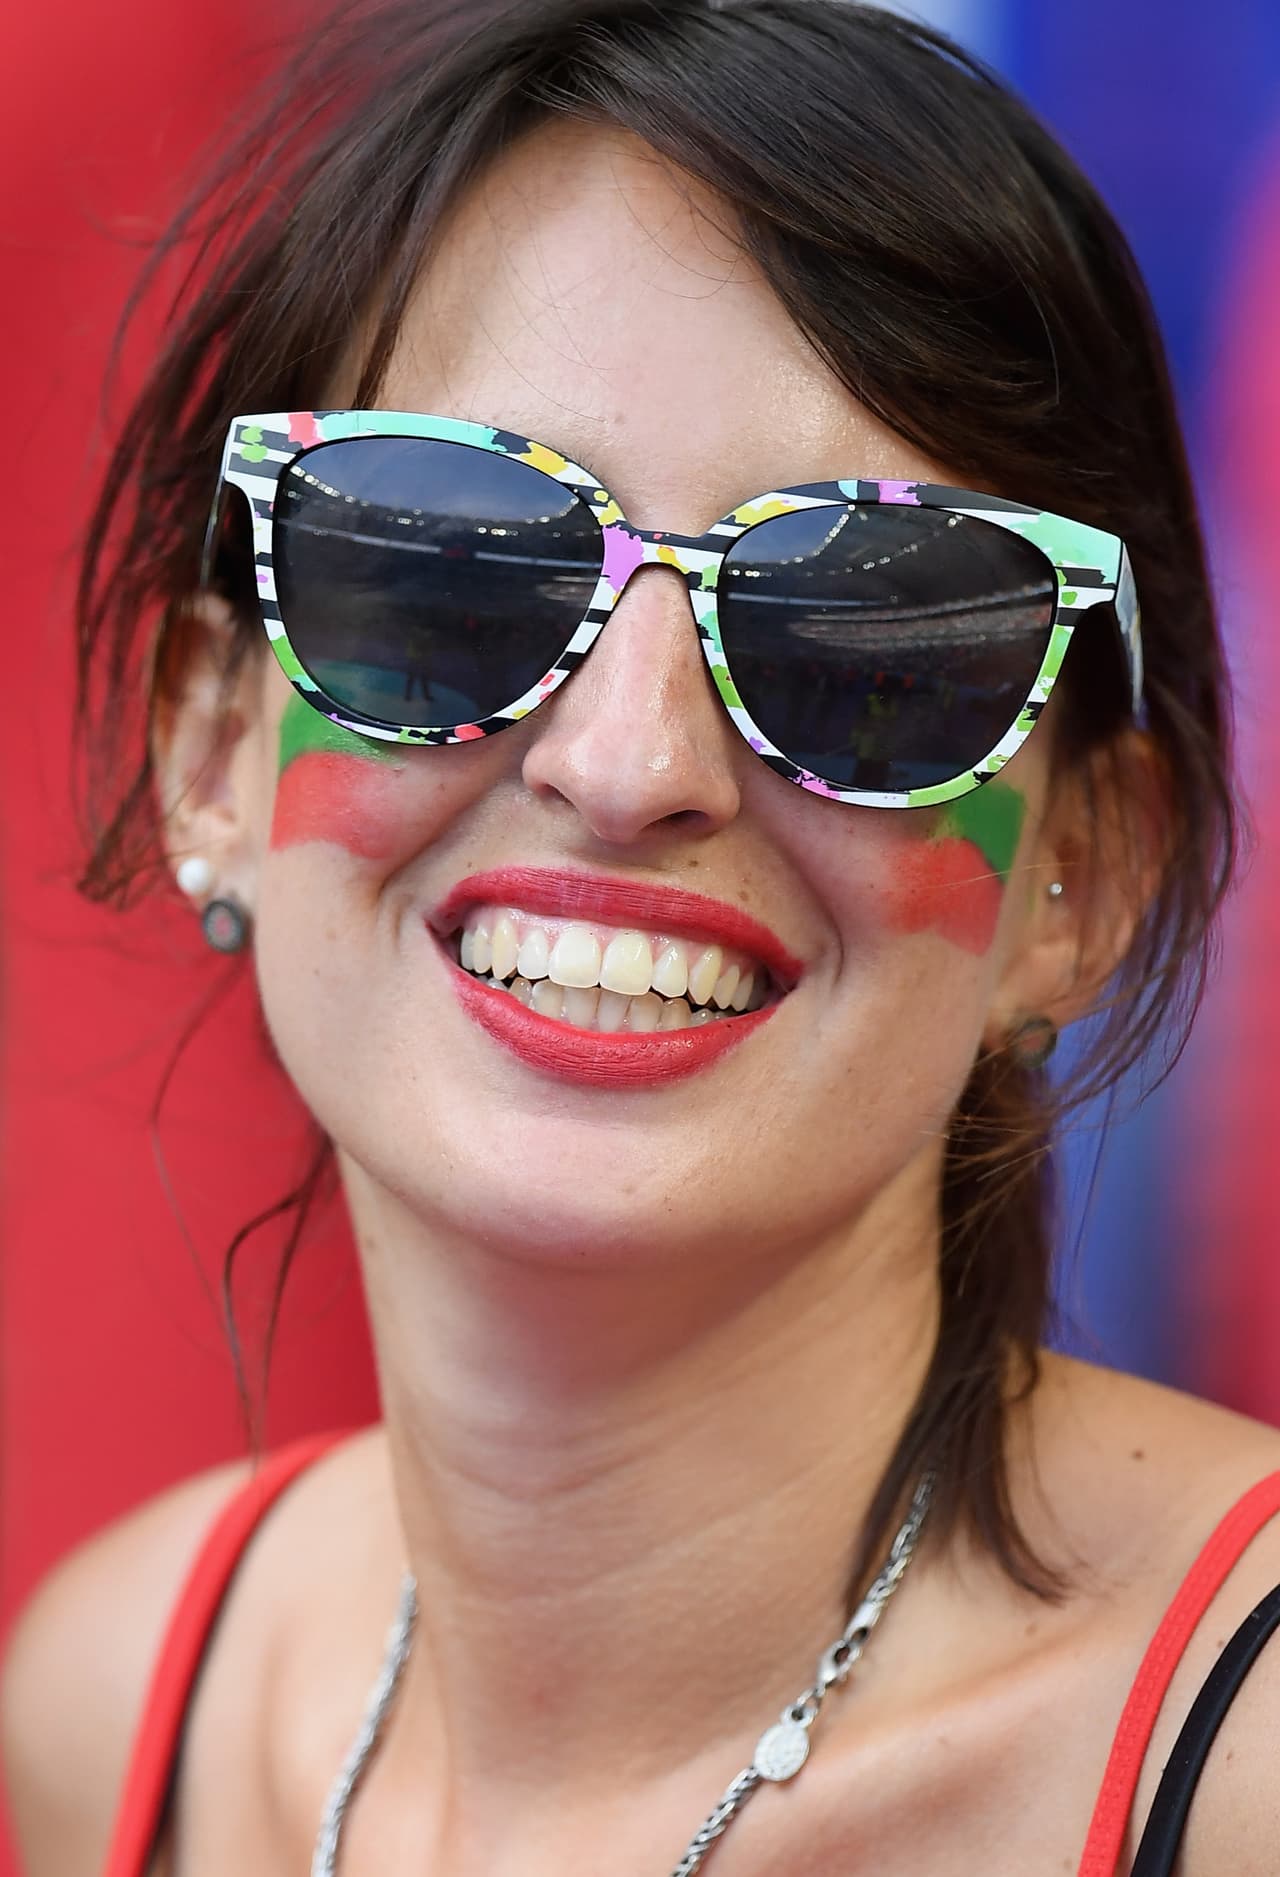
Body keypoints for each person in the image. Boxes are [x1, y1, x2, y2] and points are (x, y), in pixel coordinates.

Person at [3, 0, 1277, 1871]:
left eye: (860, 635)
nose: (629, 763)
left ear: (1084, 871)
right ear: (203, 746)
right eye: (452, 574)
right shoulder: (114, 1705)